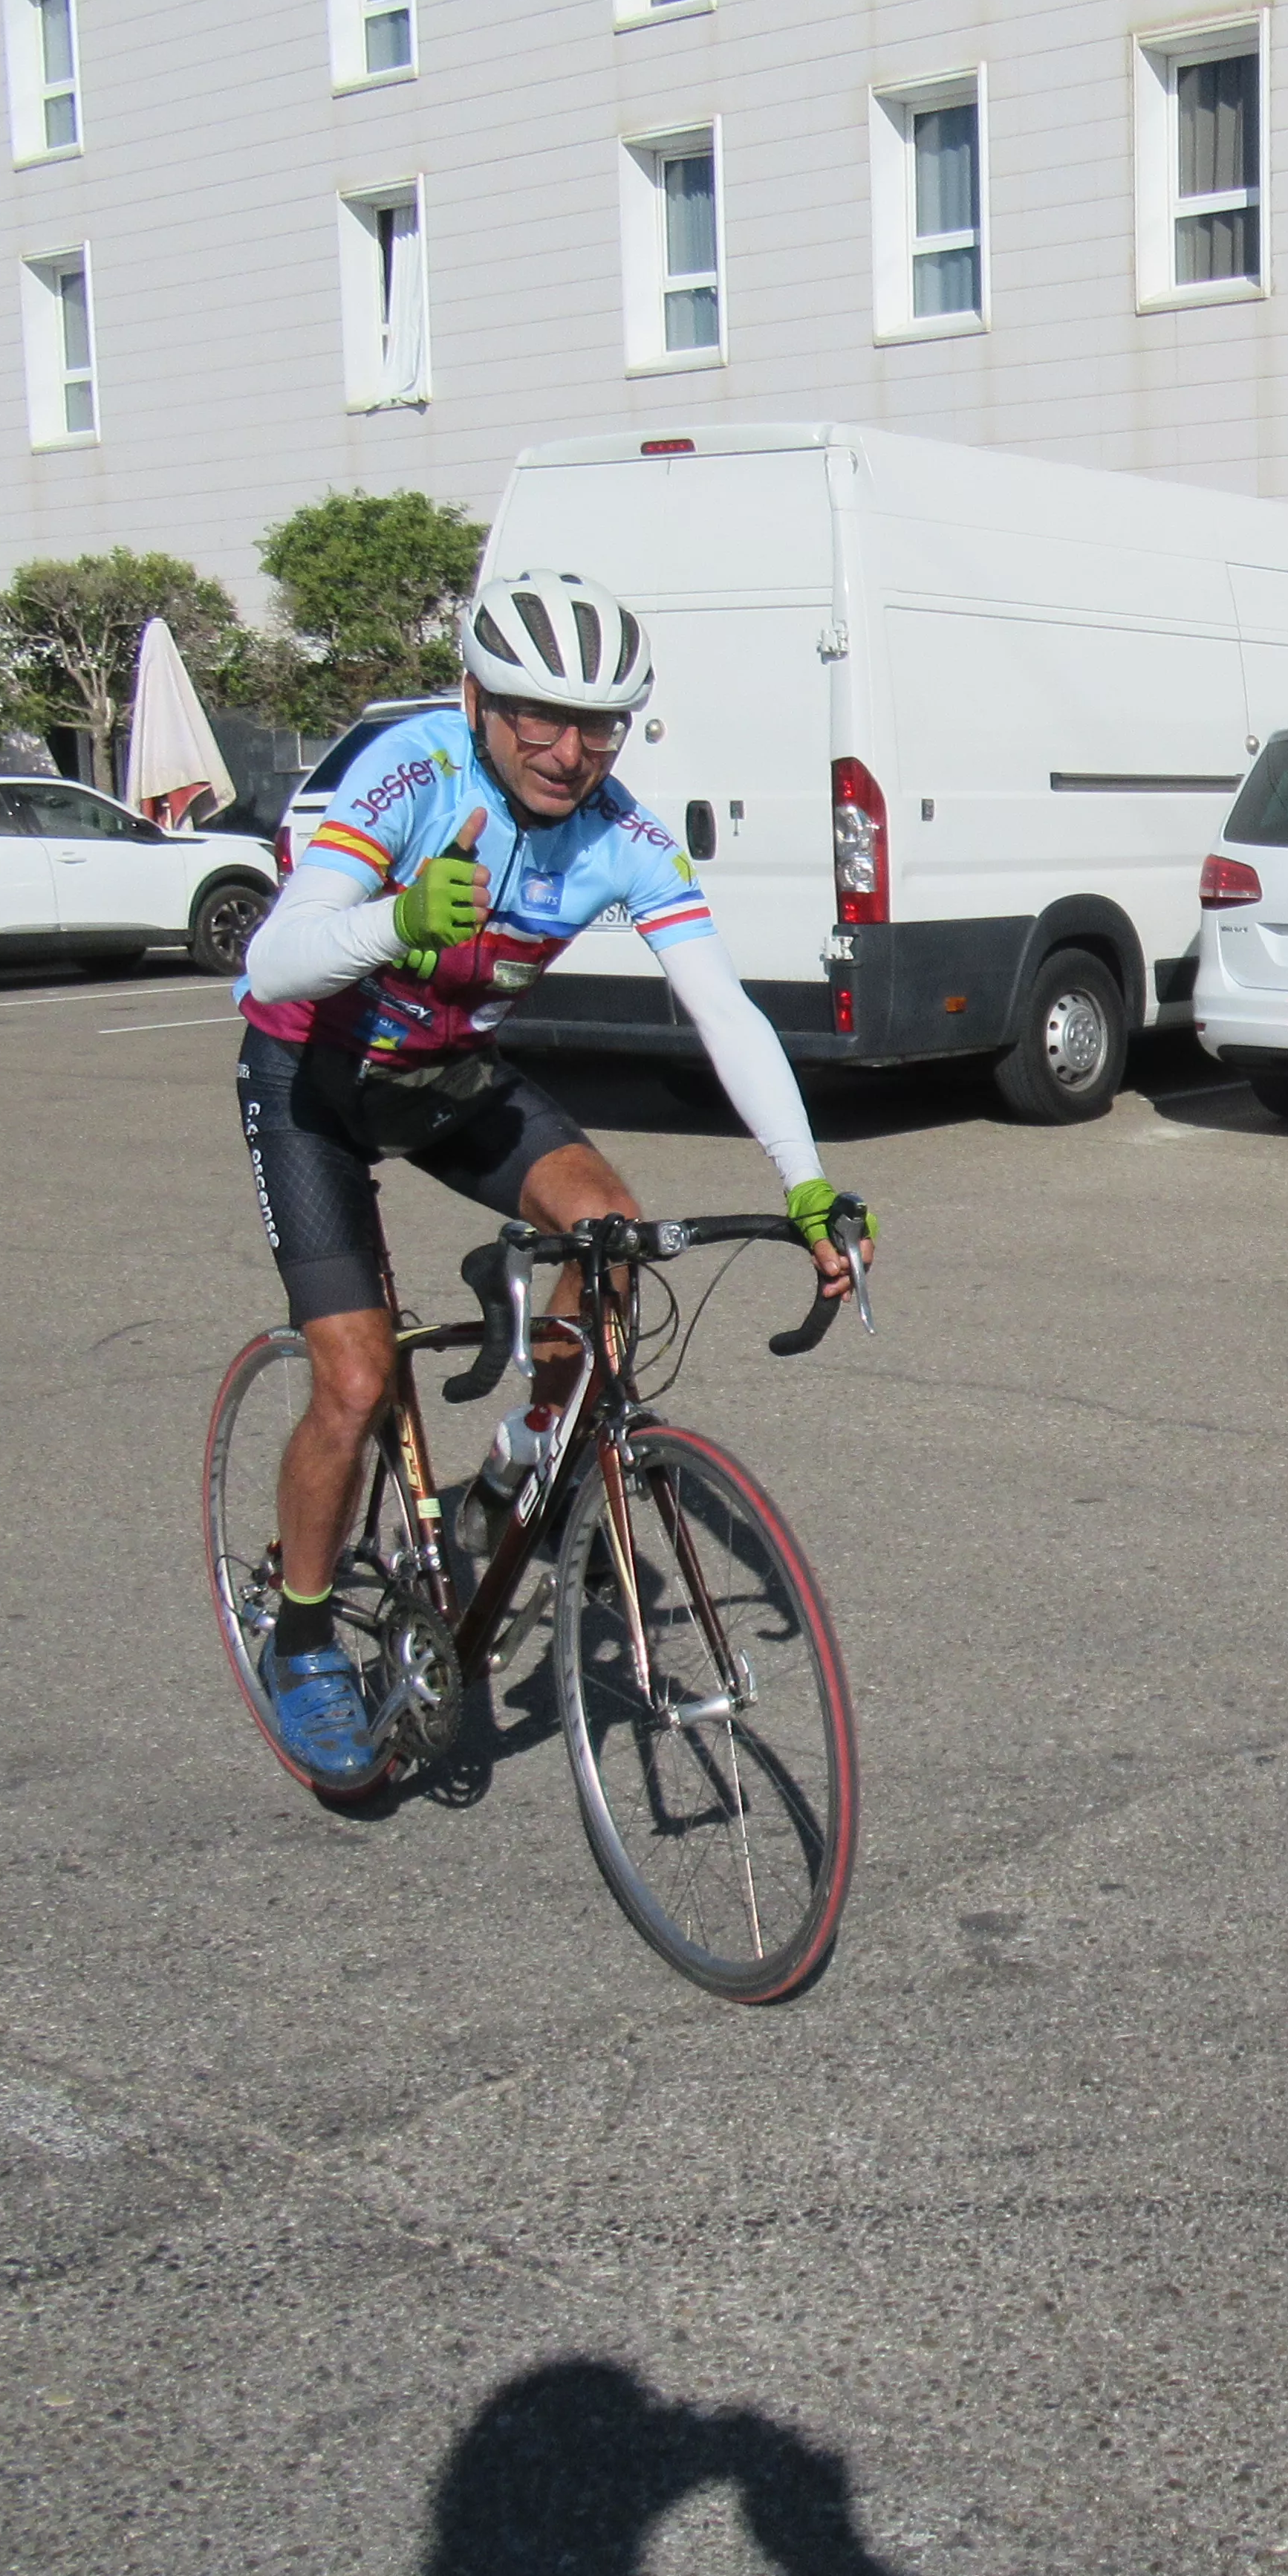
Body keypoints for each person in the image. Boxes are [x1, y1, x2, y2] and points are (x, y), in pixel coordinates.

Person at [232, 570, 852, 1785]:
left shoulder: (621, 835)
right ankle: (302, 1635)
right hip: (313, 1079)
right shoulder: (412, 775)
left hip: (445, 1075)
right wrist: (394, 921)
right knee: (354, 1383)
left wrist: (807, 1179)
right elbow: (277, 952)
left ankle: (520, 1456)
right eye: (538, 718)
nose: (570, 752)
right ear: (475, 696)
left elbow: (721, 1007)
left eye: (601, 726)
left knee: (613, 1232)